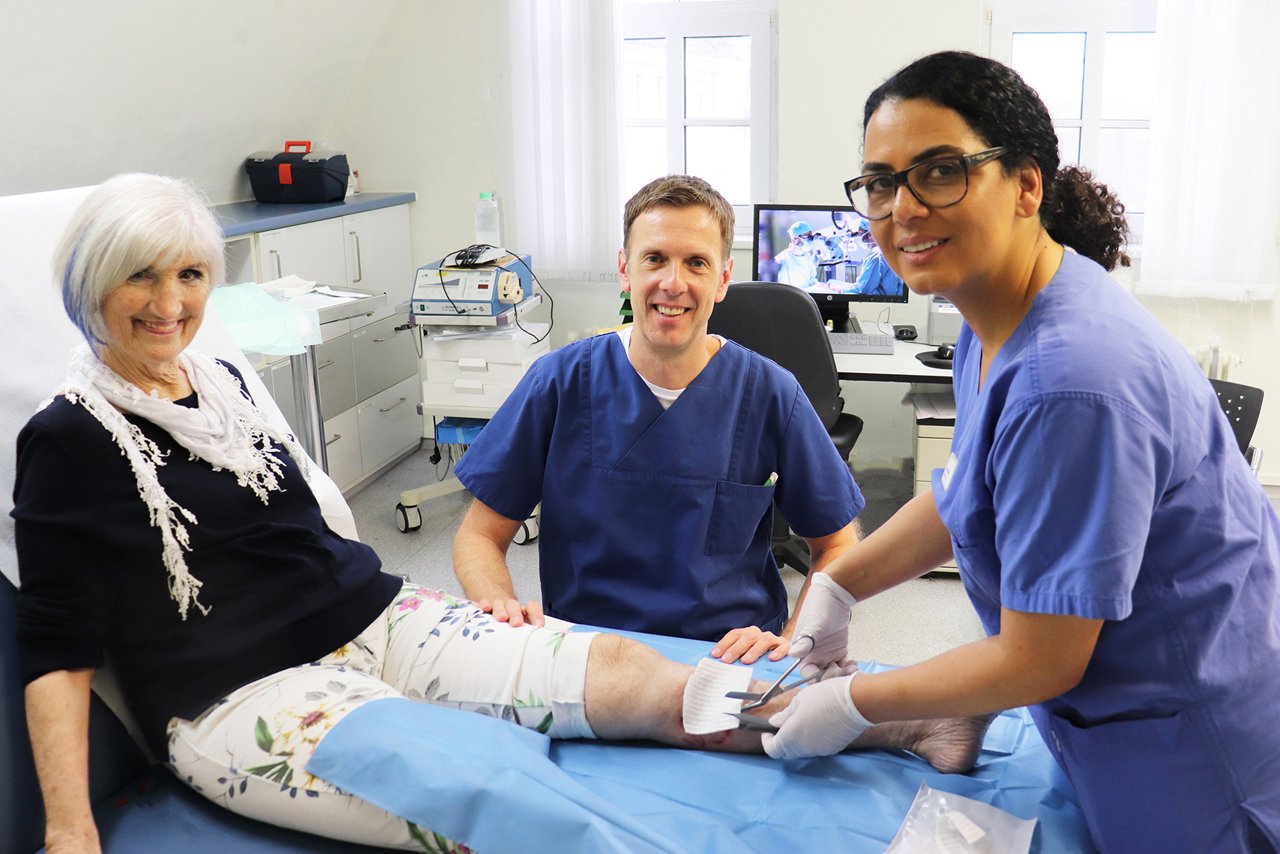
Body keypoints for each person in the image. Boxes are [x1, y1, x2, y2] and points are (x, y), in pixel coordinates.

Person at [14, 173, 982, 853]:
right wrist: (70, 828)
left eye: (189, 275)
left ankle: (904, 724)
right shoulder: (68, 437)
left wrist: (781, 635)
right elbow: (59, 642)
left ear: (723, 276)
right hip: (243, 684)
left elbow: (835, 543)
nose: (170, 303)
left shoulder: (222, 382)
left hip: (372, 614)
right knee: (494, 781)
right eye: (141, 275)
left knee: (633, 676)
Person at [740, 51, 1280, 852]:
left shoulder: (1073, 380)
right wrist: (841, 585)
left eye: (942, 171)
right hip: (1114, 724)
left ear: (1027, 186)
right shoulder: (996, 322)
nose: (903, 208)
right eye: (881, 183)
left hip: (1196, 762)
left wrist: (859, 703)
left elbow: (1042, 656)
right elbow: (963, 487)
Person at [453, 175, 863, 648]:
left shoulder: (770, 393)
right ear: (626, 270)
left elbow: (837, 544)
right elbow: (479, 536)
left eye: (696, 263)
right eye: (655, 259)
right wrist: (498, 603)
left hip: (727, 655)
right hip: (589, 652)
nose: (673, 283)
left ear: (723, 278)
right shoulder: (559, 383)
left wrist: (792, 642)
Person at [772, 219, 821, 287]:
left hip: (806, 296)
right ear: (795, 238)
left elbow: (811, 278)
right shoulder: (782, 260)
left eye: (811, 236)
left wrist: (817, 286)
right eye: (807, 237)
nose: (810, 240)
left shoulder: (807, 255)